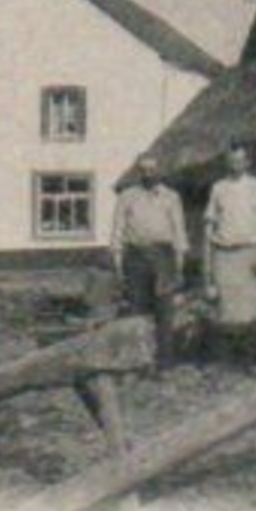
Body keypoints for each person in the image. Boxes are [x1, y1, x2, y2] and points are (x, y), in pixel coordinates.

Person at [109, 154, 187, 369]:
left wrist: (179, 265)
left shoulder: (171, 197)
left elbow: (178, 232)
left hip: (163, 257)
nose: (148, 174)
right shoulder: (127, 196)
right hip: (135, 257)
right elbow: (118, 230)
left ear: (159, 171)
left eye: (152, 170)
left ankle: (164, 360)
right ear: (138, 172)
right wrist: (117, 262)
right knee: (136, 309)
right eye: (143, 170)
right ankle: (138, 361)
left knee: (164, 311)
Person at [203, 142, 256, 333]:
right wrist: (209, 266)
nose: (236, 164)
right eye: (232, 160)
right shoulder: (218, 188)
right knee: (226, 312)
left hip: (250, 254)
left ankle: (248, 359)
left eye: (240, 160)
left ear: (248, 162)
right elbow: (209, 228)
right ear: (227, 162)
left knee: (250, 312)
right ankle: (227, 359)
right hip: (224, 256)